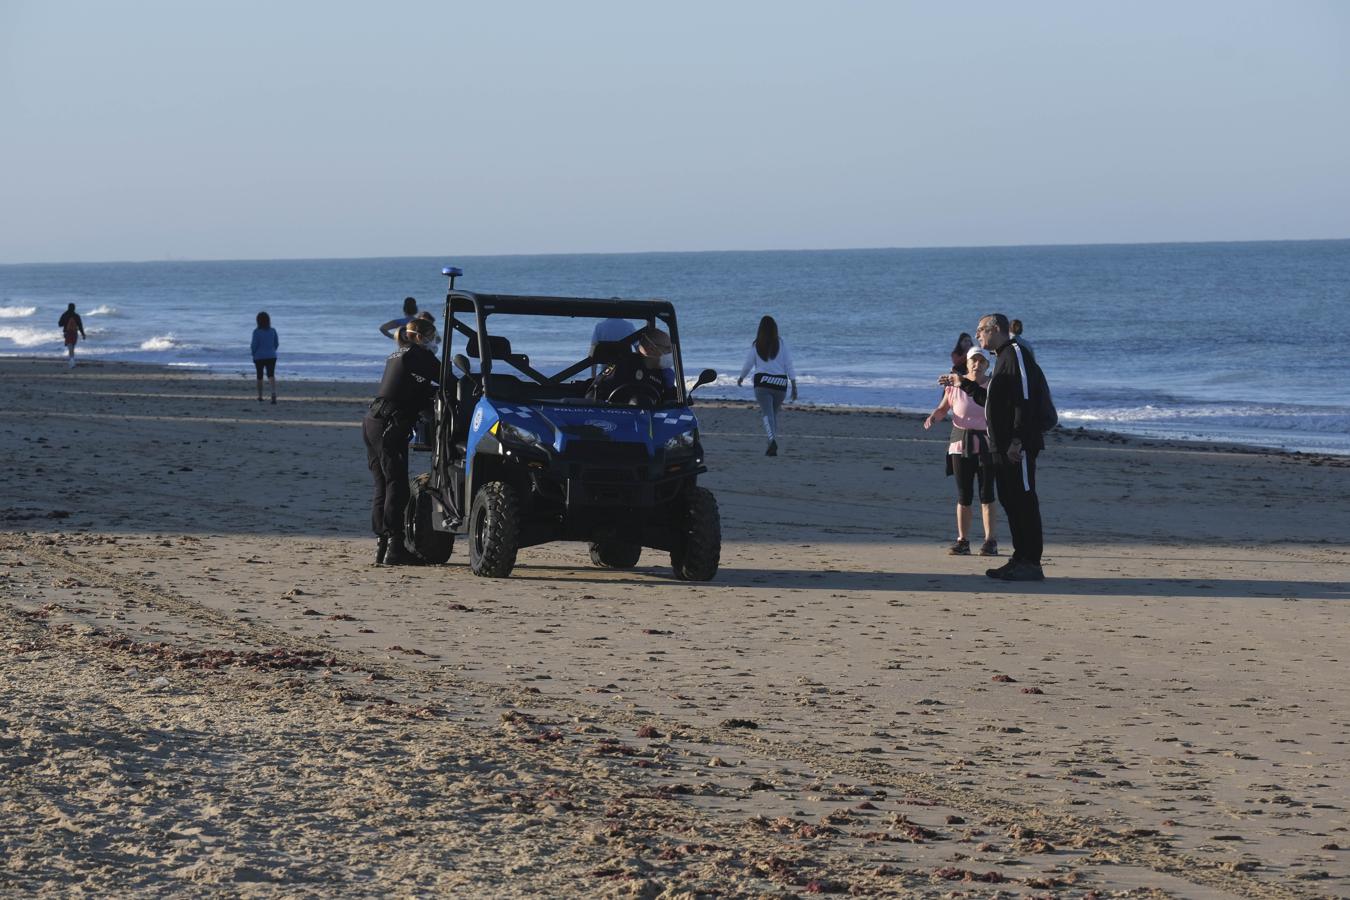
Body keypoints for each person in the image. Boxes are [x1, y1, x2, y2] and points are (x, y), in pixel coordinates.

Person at [944, 314, 1047, 581]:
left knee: (1024, 499)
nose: (978, 336)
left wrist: (1018, 440)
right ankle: (1019, 557)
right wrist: (963, 384)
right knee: (1010, 500)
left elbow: (1025, 399)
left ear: (996, 329)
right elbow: (993, 401)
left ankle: (1031, 561)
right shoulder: (1002, 357)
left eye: (981, 330)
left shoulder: (1016, 353)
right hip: (1000, 446)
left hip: (1018, 445)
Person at [363, 317, 440, 565]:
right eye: (432, 336)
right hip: (389, 426)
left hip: (373, 421)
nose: (434, 341)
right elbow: (448, 379)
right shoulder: (421, 356)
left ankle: (383, 545)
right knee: (397, 486)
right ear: (420, 336)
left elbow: (406, 387)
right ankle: (395, 547)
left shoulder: (398, 354)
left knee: (382, 485)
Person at [925, 346, 998, 556]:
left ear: (987, 365)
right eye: (973, 361)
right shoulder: (954, 386)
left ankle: (990, 541)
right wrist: (933, 418)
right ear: (966, 363)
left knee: (987, 495)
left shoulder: (992, 386)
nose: (977, 365)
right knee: (964, 495)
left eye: (981, 361)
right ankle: (963, 540)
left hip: (986, 445)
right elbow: (942, 408)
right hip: (960, 444)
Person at [737, 315, 798, 456]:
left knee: (767, 414)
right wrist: (794, 384)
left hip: (762, 383)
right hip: (780, 385)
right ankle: (772, 441)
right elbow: (789, 364)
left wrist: (741, 377)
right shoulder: (781, 343)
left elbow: (748, 364)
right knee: (773, 415)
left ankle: (771, 441)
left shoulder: (757, 344)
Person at [590, 326, 675, 405]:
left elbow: (671, 406)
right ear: (651, 349)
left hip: (649, 418)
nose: (671, 352)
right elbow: (594, 394)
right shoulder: (622, 366)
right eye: (667, 348)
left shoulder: (662, 374)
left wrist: (670, 389)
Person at [250, 311, 279, 404]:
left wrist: (253, 353)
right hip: (271, 355)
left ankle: (260, 396)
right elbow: (276, 343)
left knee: (259, 376)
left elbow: (254, 345)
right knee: (271, 375)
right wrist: (272, 350)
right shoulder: (273, 330)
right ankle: (273, 393)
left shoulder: (256, 332)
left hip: (259, 356)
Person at [57, 303, 86, 369]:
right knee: (72, 347)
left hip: (67, 333)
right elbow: (80, 326)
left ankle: (72, 362)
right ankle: (72, 361)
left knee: (70, 347)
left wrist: (65, 322)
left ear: (68, 307)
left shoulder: (65, 315)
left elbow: (59, 324)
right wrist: (83, 334)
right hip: (75, 333)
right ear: (74, 308)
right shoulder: (77, 316)